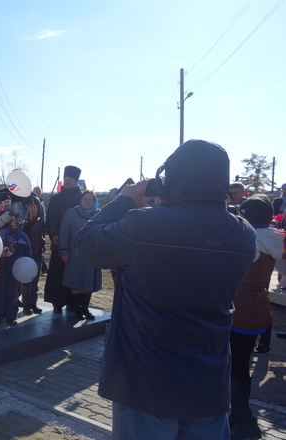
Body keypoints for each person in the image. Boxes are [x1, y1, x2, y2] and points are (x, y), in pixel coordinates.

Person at [77, 140, 256, 439]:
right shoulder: (243, 233)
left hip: (145, 379)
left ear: (173, 177)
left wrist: (124, 201)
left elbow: (88, 245)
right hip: (209, 381)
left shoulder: (145, 224)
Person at [230, 197, 283, 439]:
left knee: (231, 367)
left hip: (239, 310)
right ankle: (237, 416)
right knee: (242, 367)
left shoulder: (250, 241)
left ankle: (245, 420)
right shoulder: (271, 238)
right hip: (257, 308)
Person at [44, 166, 82, 314]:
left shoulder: (82, 197)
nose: (67, 182)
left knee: (75, 272)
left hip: (77, 242)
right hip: (59, 241)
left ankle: (74, 303)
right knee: (58, 272)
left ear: (76, 181)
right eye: (66, 179)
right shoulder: (56, 198)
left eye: (70, 180)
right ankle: (57, 303)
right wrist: (53, 234)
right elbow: (51, 218)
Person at [59, 190, 101, 320]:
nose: (87, 201)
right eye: (85, 199)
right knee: (76, 282)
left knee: (89, 283)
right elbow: (64, 233)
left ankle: (85, 308)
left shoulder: (99, 214)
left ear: (94, 201)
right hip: (75, 254)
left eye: (90, 199)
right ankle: (77, 309)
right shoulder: (71, 213)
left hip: (92, 255)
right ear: (81, 200)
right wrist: (64, 251)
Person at [0, 215, 32, 326]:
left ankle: (11, 316)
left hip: (16, 270)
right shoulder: (3, 233)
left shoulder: (23, 236)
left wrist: (25, 267)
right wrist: (5, 250)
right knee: (0, 292)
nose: (14, 223)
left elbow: (28, 254)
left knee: (13, 293)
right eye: (12, 220)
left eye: (17, 220)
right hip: (2, 268)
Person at [21, 196, 45, 315]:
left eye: (35, 207)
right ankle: (26, 305)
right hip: (26, 256)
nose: (33, 209)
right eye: (30, 207)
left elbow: (42, 237)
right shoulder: (22, 222)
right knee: (26, 282)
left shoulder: (41, 221)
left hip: (38, 255)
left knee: (35, 282)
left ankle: (33, 304)